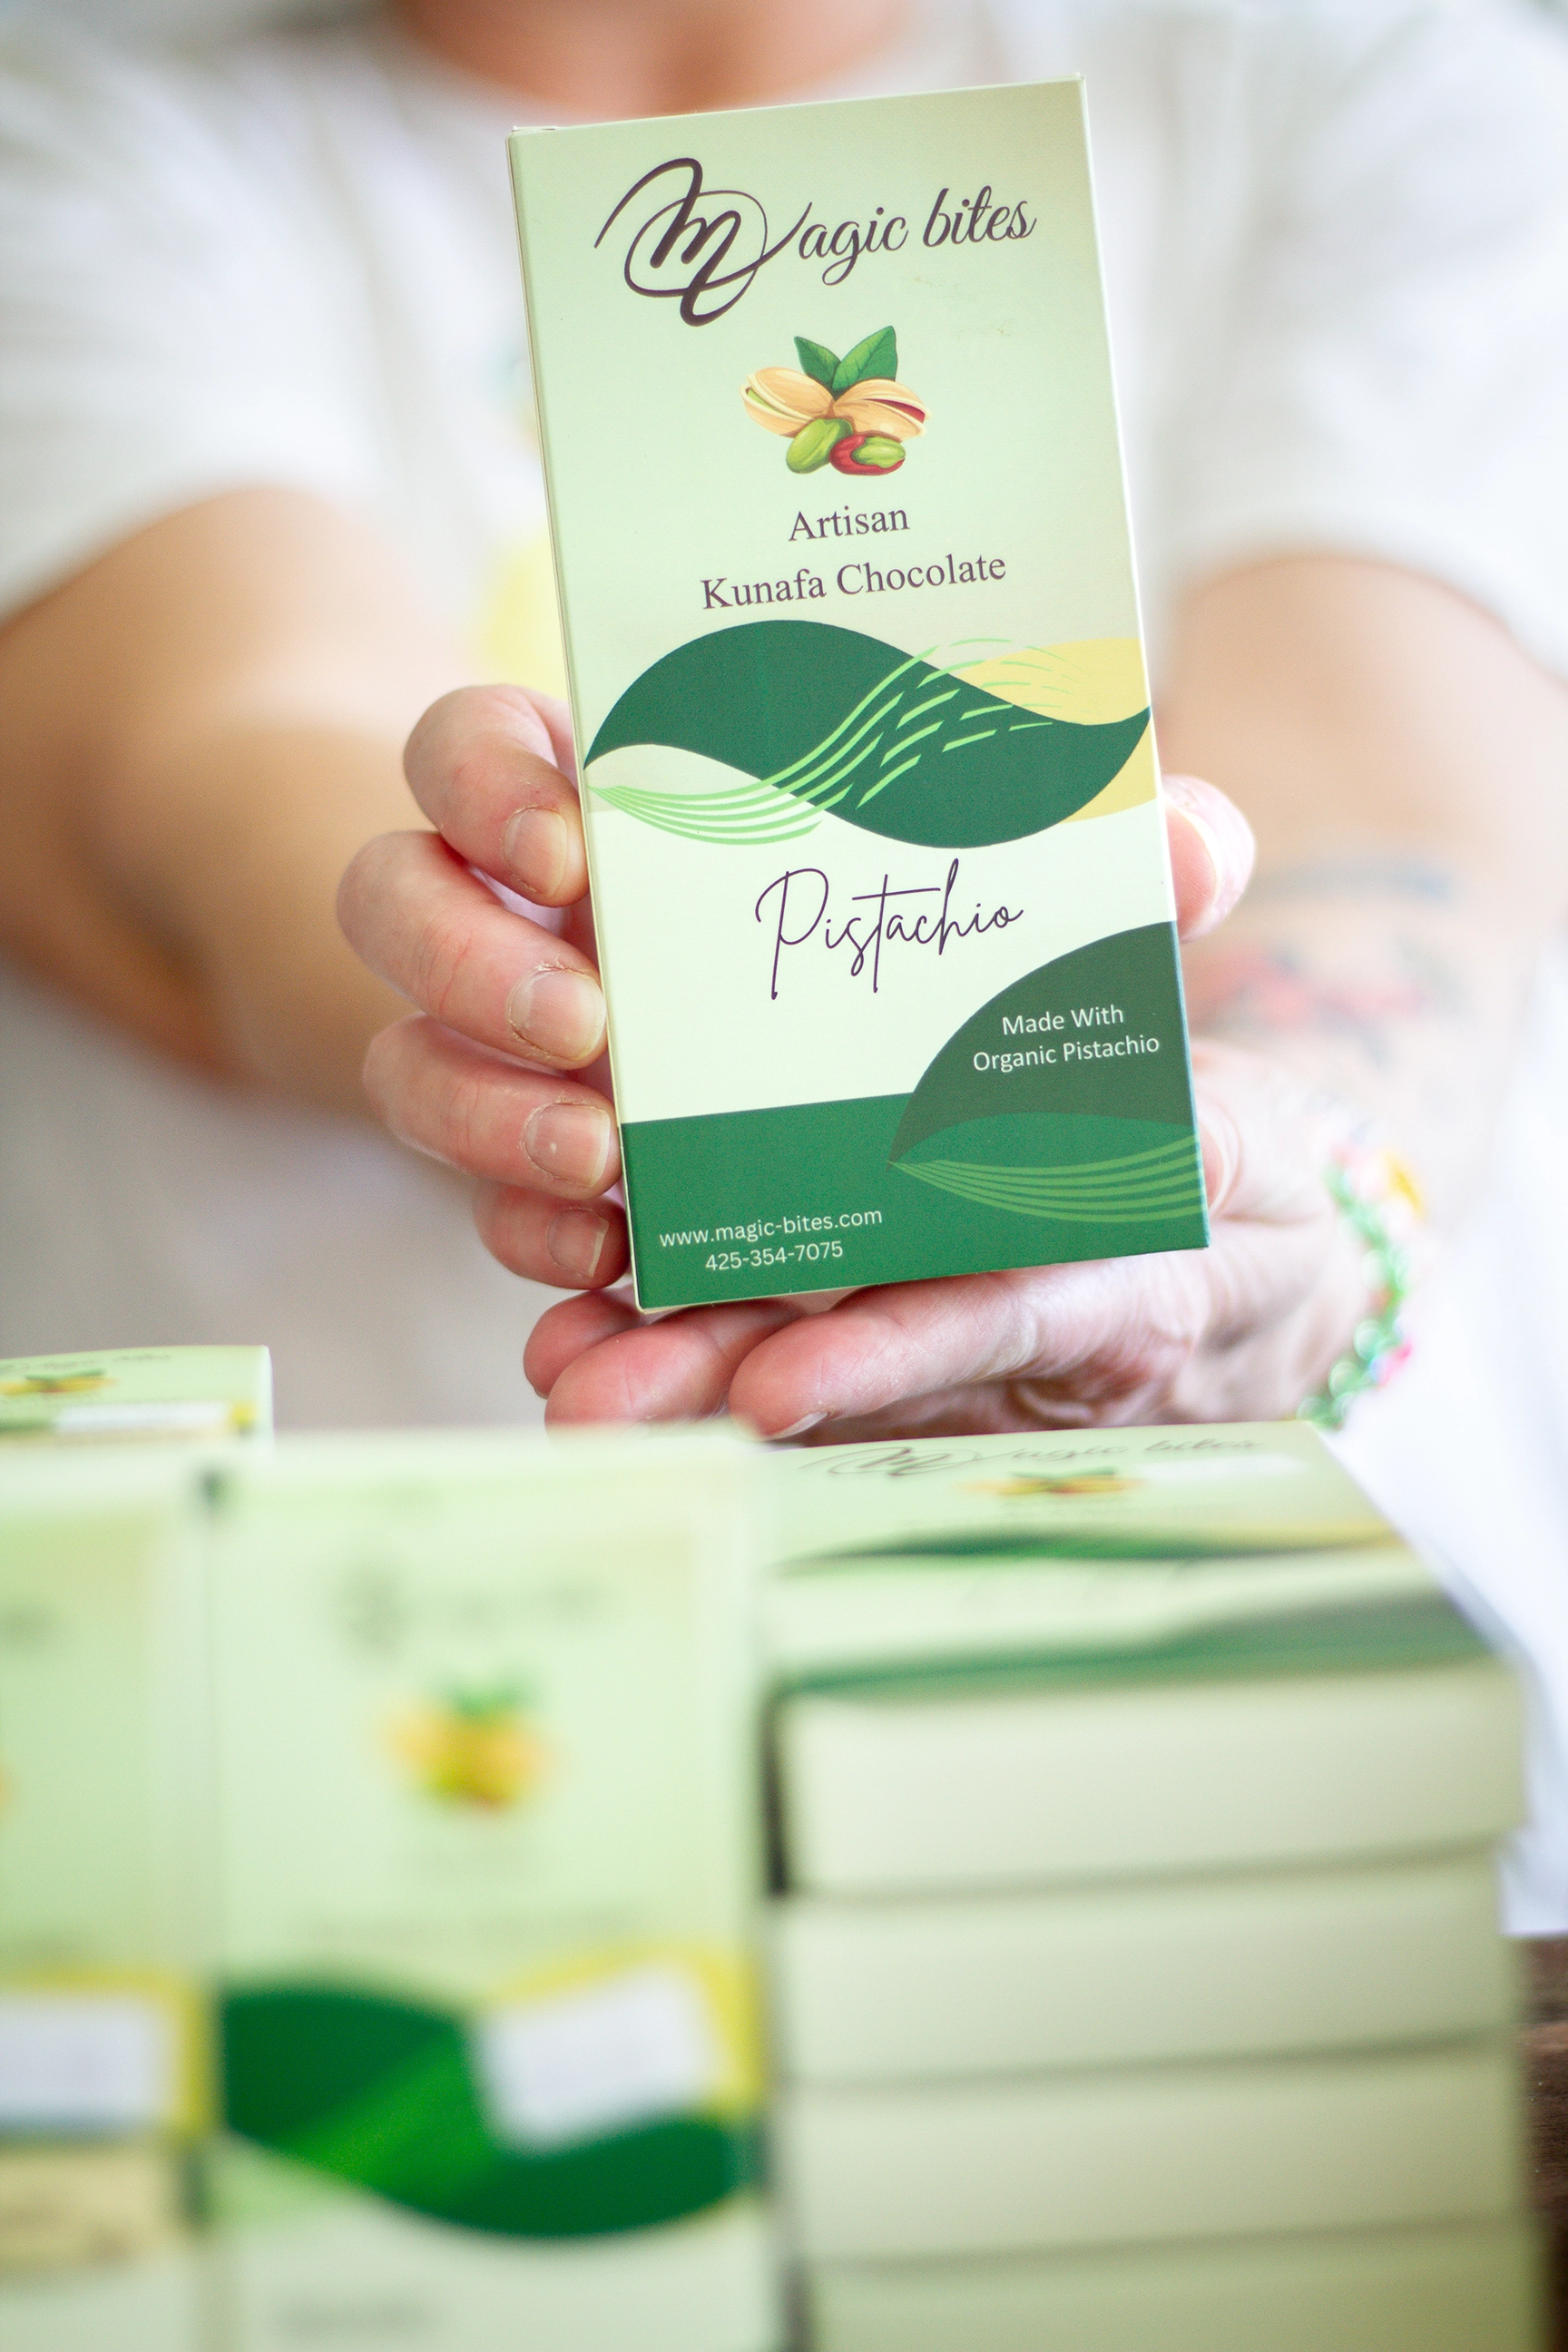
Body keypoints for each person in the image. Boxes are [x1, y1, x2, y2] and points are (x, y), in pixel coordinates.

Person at [3, 0, 1568, 1917]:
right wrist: (542, 978)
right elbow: (198, 776)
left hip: (1273, 1825)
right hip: (421, 1817)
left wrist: (1290, 1231)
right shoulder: (73, 114)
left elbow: (1386, 828)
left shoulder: (1364, 65)